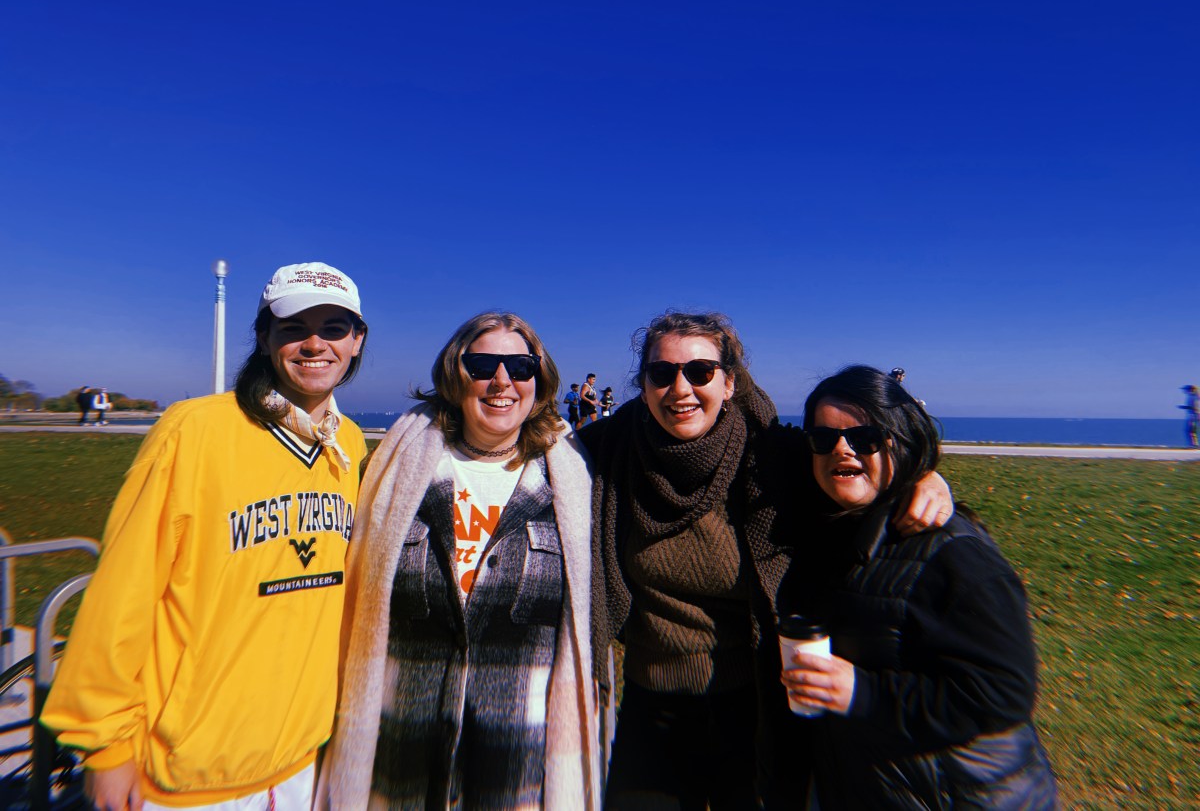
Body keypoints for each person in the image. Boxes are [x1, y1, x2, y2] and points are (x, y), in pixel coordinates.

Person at [580, 312, 954, 810]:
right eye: (662, 373)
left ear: (730, 382)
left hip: (758, 701)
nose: (680, 388)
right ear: (643, 385)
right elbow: (520, 448)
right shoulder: (607, 452)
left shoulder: (775, 457)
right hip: (653, 702)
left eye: (699, 372)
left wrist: (921, 476)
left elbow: (852, 473)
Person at [41, 261, 369, 810]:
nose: (316, 343)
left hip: (302, 763)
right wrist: (103, 746)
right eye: (294, 328)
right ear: (265, 338)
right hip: (185, 774)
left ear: (356, 342)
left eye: (334, 328)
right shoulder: (194, 430)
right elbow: (123, 593)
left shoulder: (349, 445)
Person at [317, 312, 605, 809]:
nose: (502, 380)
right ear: (456, 373)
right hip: (399, 750)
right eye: (482, 364)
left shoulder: (573, 479)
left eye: (518, 365)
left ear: (539, 378)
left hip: (519, 761)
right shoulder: (391, 469)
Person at [781, 365, 1058, 808]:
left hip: (958, 794)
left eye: (865, 438)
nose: (842, 450)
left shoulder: (954, 555)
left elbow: (1003, 693)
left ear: (900, 439)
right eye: (823, 439)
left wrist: (862, 692)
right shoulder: (833, 528)